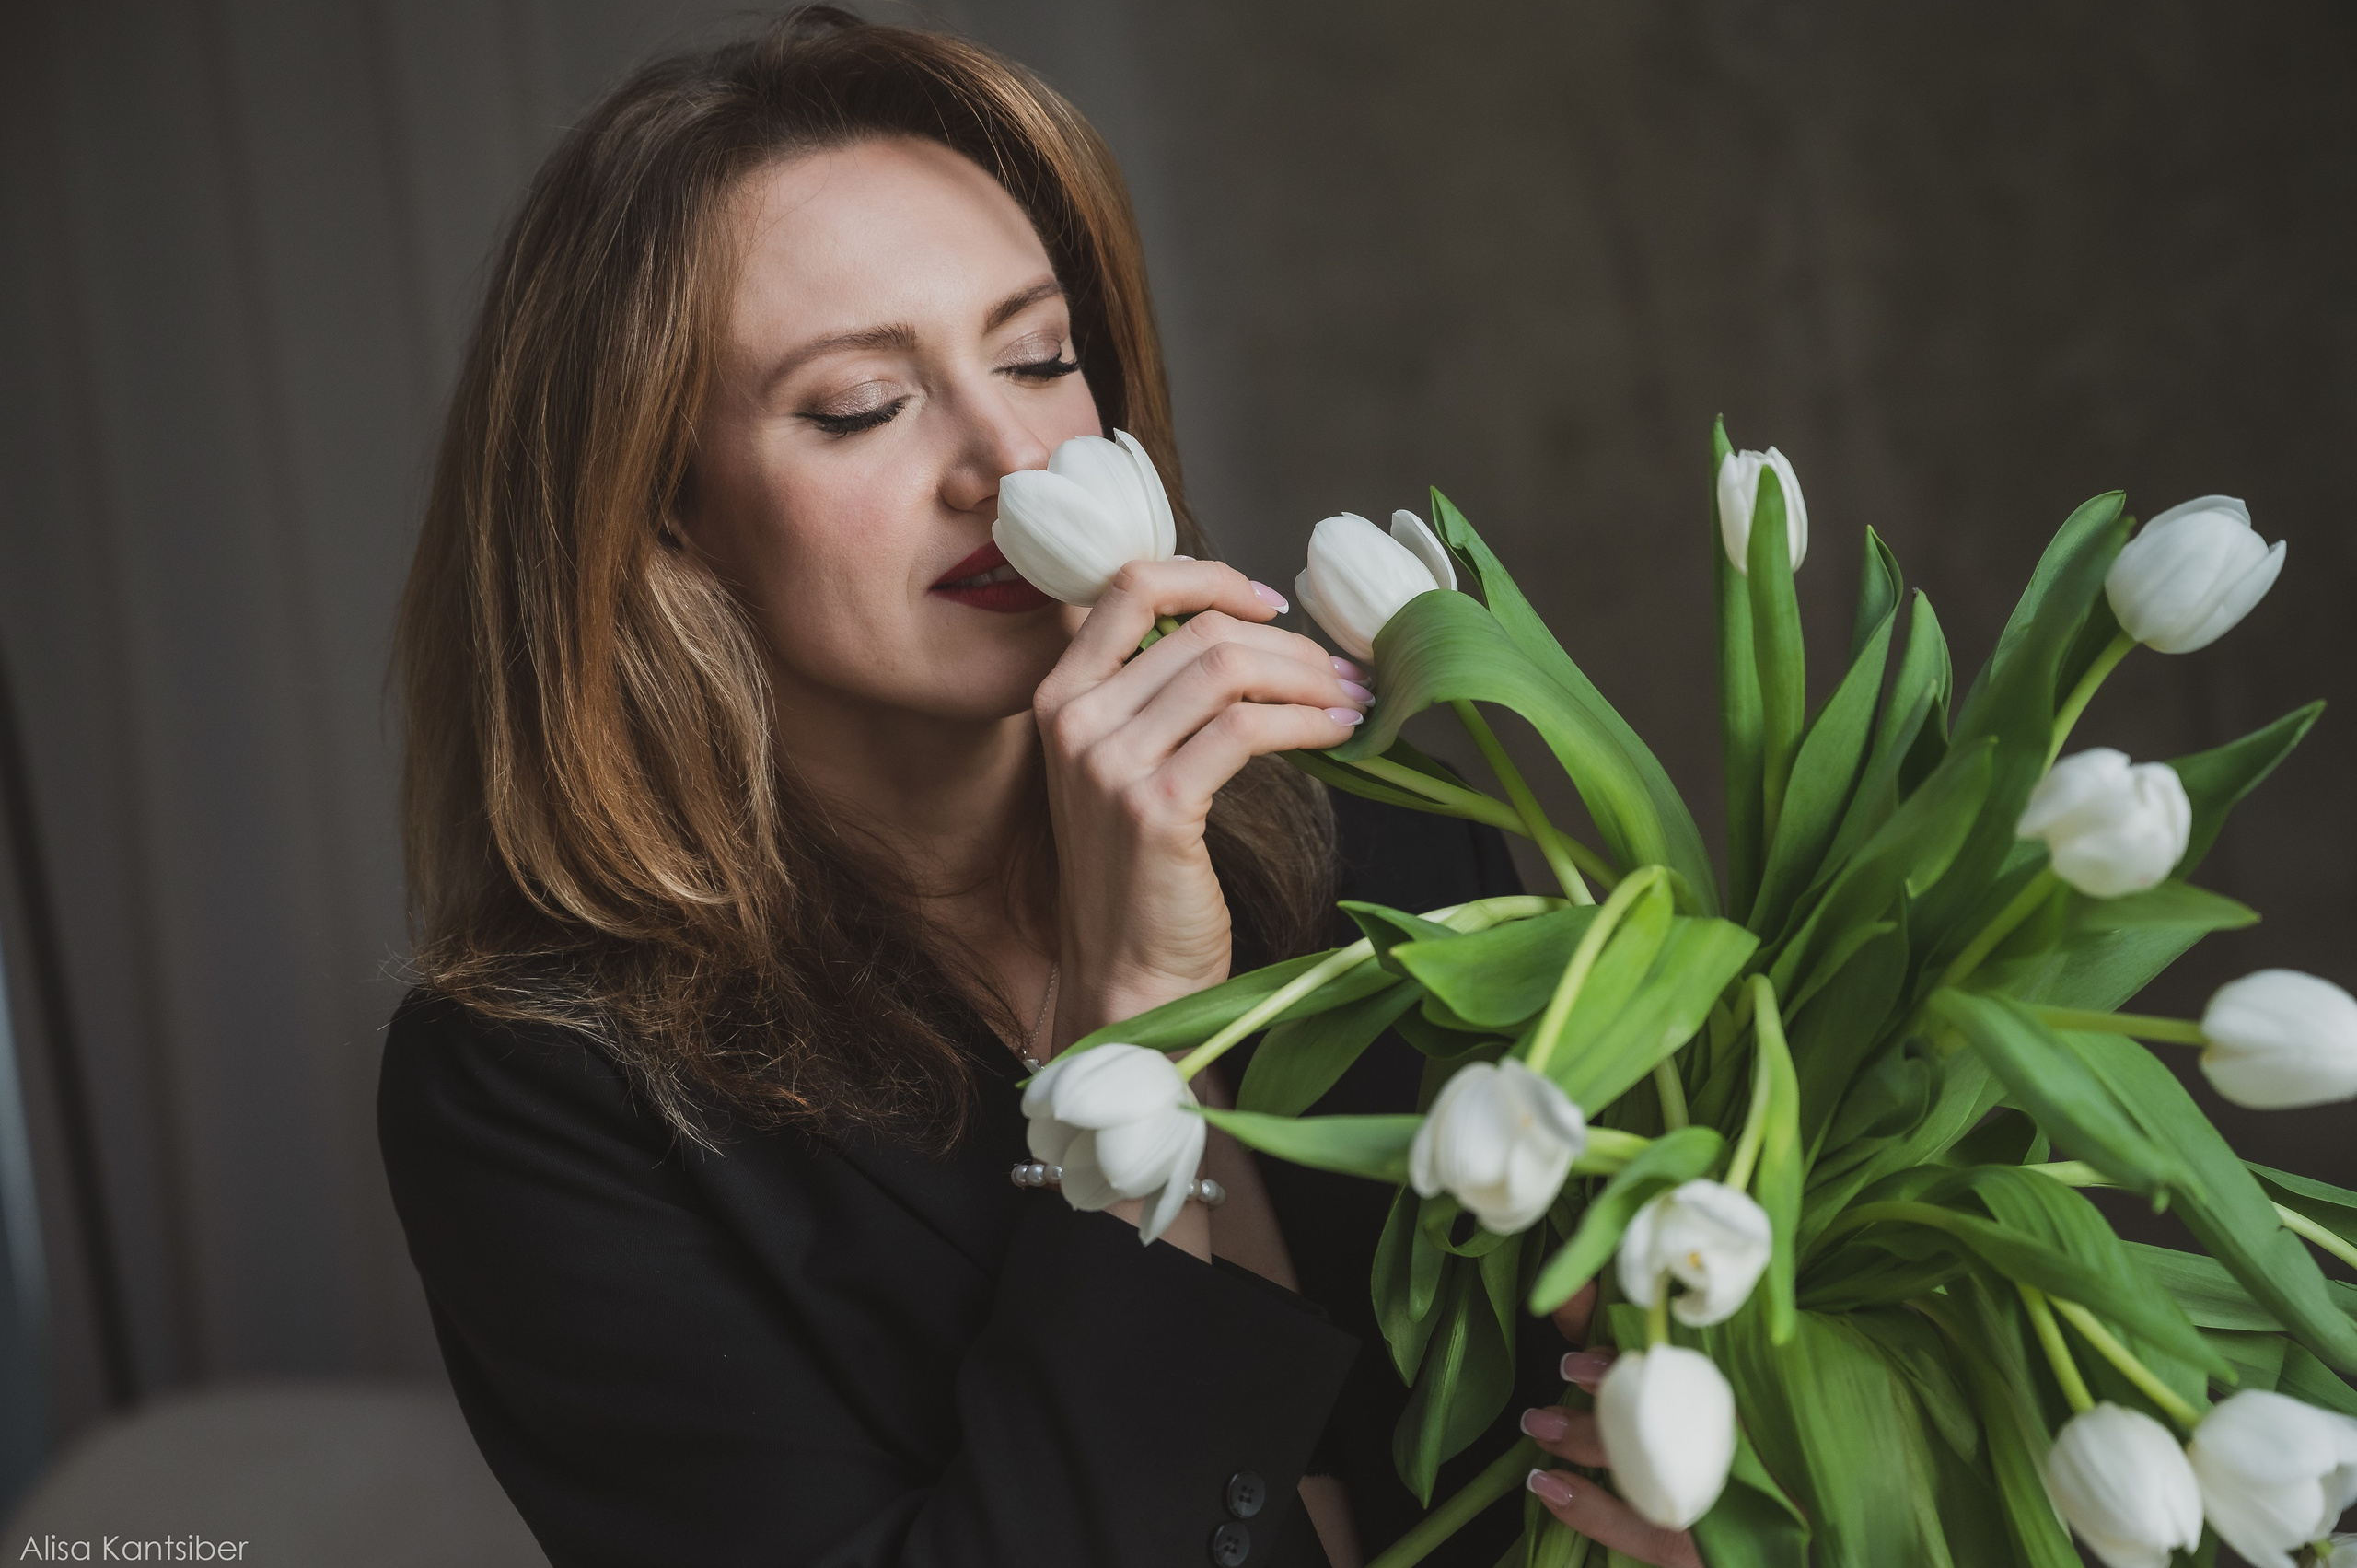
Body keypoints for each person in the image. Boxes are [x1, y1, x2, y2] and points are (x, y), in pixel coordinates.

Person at [377, 9, 1700, 1565]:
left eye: (1040, 355)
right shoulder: (545, 1092)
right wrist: (1133, 1011)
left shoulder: (1391, 830)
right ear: (664, 517)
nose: (1010, 464)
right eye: (863, 405)